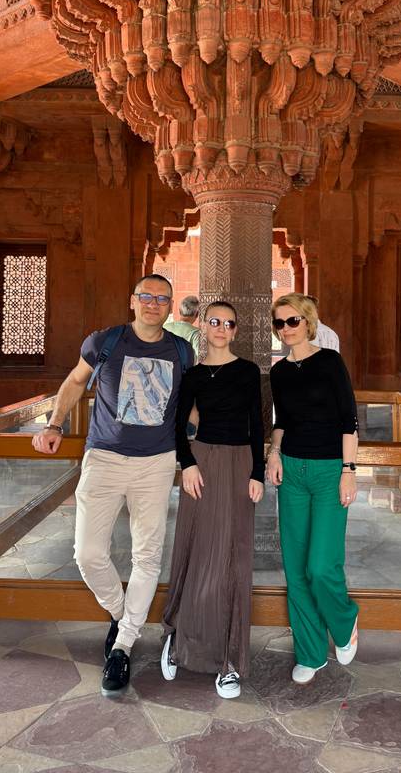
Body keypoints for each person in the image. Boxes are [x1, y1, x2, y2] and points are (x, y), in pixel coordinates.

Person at [31, 274, 194, 697]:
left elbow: (191, 405)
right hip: (103, 458)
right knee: (87, 553)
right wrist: (54, 423)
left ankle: (122, 647)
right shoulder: (105, 342)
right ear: (132, 301)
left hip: (156, 463)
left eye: (162, 299)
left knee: (147, 555)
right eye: (147, 296)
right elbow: (73, 382)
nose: (153, 304)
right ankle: (124, 615)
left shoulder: (181, 350)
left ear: (170, 307)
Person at [160, 301, 265, 698]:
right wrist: (187, 464)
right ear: (203, 326)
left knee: (232, 560)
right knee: (197, 551)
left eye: (229, 323)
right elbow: (176, 423)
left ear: (236, 331)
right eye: (214, 321)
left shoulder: (248, 371)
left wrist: (257, 471)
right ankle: (178, 637)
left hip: (239, 466)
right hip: (201, 464)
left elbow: (257, 422)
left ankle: (228, 662)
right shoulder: (194, 374)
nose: (221, 328)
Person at [266, 292, 360, 684]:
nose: (286, 329)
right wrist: (273, 454)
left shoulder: (329, 362)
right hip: (291, 471)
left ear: (308, 322)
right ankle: (309, 652)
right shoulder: (280, 372)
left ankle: (344, 620)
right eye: (280, 323)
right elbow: (282, 419)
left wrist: (349, 470)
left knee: (321, 566)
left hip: (327, 471)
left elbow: (348, 419)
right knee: (296, 568)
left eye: (293, 321)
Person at [163, 294, 202, 360]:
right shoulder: (196, 333)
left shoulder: (165, 327)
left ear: (179, 311)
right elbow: (202, 357)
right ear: (197, 314)